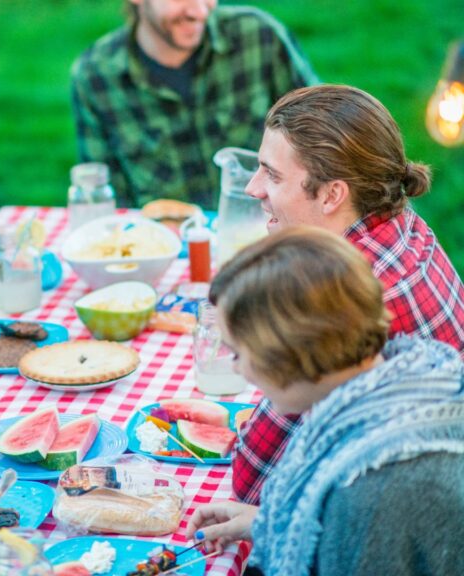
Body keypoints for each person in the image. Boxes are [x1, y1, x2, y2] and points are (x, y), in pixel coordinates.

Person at [186, 226, 464, 576]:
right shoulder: (404, 387)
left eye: (239, 352)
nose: (237, 368)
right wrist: (268, 523)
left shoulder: (369, 490)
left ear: (291, 352)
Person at [233, 84, 464, 504]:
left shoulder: (341, 298)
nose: (253, 188)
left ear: (331, 194)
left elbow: (253, 484)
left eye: (272, 174)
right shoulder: (401, 224)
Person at [70, 0, 317, 208]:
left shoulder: (260, 37)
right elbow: (103, 197)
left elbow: (321, 136)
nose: (200, 11)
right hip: (166, 250)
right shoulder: (95, 76)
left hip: (266, 233)